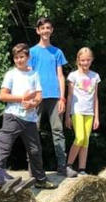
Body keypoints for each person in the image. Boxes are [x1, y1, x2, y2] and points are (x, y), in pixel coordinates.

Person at [0, 44, 57, 189]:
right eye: (16, 57)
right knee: (4, 148)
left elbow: (39, 96)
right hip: (12, 117)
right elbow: (3, 96)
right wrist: (22, 98)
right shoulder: (11, 74)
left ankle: (40, 180)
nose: (19, 60)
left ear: (28, 57)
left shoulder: (34, 74)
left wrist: (33, 103)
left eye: (21, 57)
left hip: (30, 119)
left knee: (35, 150)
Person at [29, 17, 77, 178]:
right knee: (33, 131)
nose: (45, 31)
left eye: (48, 28)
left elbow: (60, 76)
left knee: (58, 131)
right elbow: (29, 75)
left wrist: (62, 98)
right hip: (37, 96)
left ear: (52, 30)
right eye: (42, 28)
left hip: (55, 97)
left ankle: (62, 167)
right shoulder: (32, 52)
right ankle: (34, 168)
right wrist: (30, 96)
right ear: (38, 31)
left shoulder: (57, 52)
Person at [64, 47, 100, 176]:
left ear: (92, 60)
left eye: (88, 60)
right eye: (83, 60)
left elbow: (95, 97)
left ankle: (82, 169)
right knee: (79, 137)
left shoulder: (95, 76)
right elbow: (69, 96)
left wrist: (96, 117)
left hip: (89, 112)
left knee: (86, 141)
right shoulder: (73, 76)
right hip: (77, 110)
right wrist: (67, 116)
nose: (85, 62)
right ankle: (68, 165)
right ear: (78, 60)